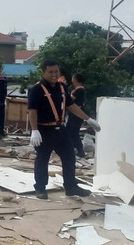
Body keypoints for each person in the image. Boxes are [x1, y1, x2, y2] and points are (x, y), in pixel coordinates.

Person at [28, 60, 101, 199]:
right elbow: (32, 111)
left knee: (69, 157)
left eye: (56, 71)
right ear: (43, 72)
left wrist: (88, 119)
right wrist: (34, 130)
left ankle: (71, 186)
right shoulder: (36, 90)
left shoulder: (61, 87)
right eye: (50, 72)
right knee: (42, 159)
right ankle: (40, 188)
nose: (54, 74)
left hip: (61, 130)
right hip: (44, 130)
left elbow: (72, 106)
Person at [67, 73, 87, 158]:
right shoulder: (80, 90)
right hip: (77, 115)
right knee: (72, 133)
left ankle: (79, 151)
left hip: (76, 115)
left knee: (72, 133)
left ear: (75, 79)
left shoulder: (79, 90)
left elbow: (69, 100)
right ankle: (75, 150)